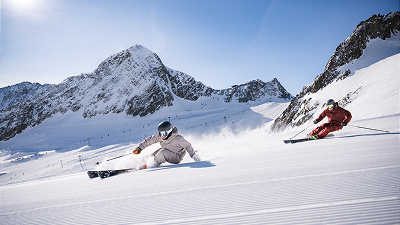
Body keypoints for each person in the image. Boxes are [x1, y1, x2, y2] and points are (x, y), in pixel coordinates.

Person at [133, 121, 201, 168]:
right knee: (153, 155)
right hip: (166, 150)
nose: (163, 136)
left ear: (169, 131)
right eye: (161, 133)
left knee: (162, 153)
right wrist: (139, 148)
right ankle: (139, 164)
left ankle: (150, 165)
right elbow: (149, 140)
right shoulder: (160, 137)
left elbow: (188, 146)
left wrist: (194, 156)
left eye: (164, 134)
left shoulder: (177, 138)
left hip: (177, 156)